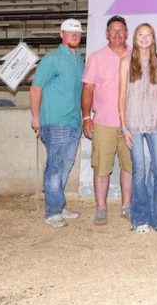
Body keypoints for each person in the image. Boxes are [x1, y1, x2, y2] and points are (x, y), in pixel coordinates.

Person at [119, 23, 157, 233]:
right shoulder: (125, 63)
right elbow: (122, 95)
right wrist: (123, 126)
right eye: (140, 35)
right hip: (133, 124)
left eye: (148, 35)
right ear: (135, 38)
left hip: (156, 123)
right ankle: (139, 219)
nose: (144, 38)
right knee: (139, 171)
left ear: (153, 38)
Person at [30, 18, 85, 228]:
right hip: (54, 121)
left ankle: (59, 206)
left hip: (73, 121)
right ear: (61, 34)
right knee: (55, 165)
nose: (74, 35)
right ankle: (52, 212)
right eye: (70, 32)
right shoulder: (51, 59)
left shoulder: (79, 59)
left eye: (77, 33)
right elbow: (36, 88)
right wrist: (36, 118)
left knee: (66, 164)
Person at [81, 15, 132, 225]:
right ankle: (101, 207)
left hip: (131, 124)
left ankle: (127, 206)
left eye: (121, 30)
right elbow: (88, 88)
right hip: (103, 122)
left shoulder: (136, 55)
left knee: (130, 167)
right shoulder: (96, 57)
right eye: (113, 30)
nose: (117, 34)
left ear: (127, 33)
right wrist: (86, 116)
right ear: (107, 33)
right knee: (102, 167)